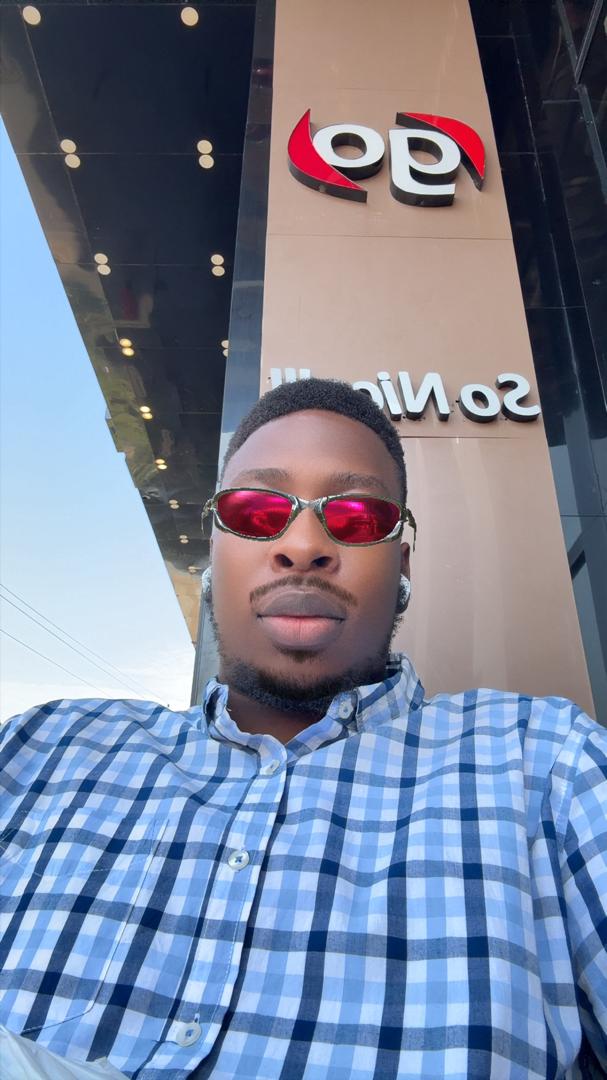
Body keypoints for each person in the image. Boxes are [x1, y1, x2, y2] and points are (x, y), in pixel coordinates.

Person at [0, 377, 606, 1080]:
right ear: (213, 551)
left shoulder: (544, 764)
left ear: (402, 564)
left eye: (356, 516)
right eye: (257, 512)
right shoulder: (44, 751)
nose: (303, 545)